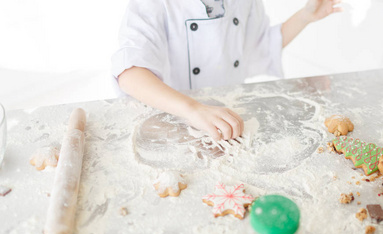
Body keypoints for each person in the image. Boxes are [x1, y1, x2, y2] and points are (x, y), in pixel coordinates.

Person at [112, 0, 342, 141]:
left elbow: (259, 45)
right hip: (176, 121)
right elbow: (130, 74)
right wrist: (193, 109)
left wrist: (305, 16)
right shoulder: (153, 3)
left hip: (231, 116)